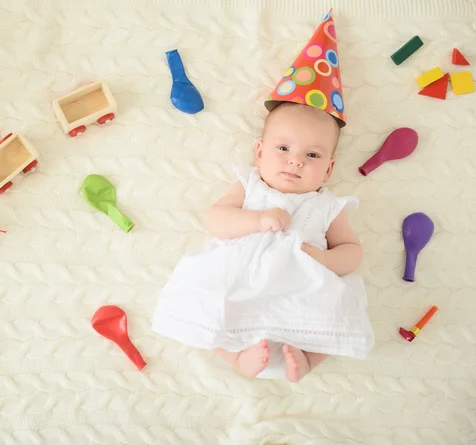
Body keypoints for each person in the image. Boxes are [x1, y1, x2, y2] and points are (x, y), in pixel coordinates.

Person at [152, 10, 374, 382]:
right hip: (239, 276)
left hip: (304, 284)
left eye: (313, 155)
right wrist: (256, 220)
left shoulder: (326, 205)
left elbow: (352, 251)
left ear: (329, 170)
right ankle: (235, 356)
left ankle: (307, 359)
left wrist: (323, 259)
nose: (296, 162)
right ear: (259, 152)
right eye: (283, 148)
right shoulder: (251, 185)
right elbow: (216, 220)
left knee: (339, 311)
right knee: (202, 305)